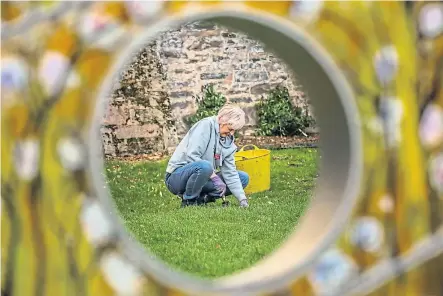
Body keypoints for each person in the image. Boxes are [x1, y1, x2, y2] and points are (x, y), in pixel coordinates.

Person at [164, 104, 250, 208]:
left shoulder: (228, 142)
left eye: (234, 130)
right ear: (221, 120)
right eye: (230, 128)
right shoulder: (205, 126)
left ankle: (202, 199)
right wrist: (214, 178)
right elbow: (191, 156)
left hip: (203, 176)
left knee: (243, 178)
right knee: (205, 166)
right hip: (177, 177)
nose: (231, 133)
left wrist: (242, 199)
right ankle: (189, 202)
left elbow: (230, 172)